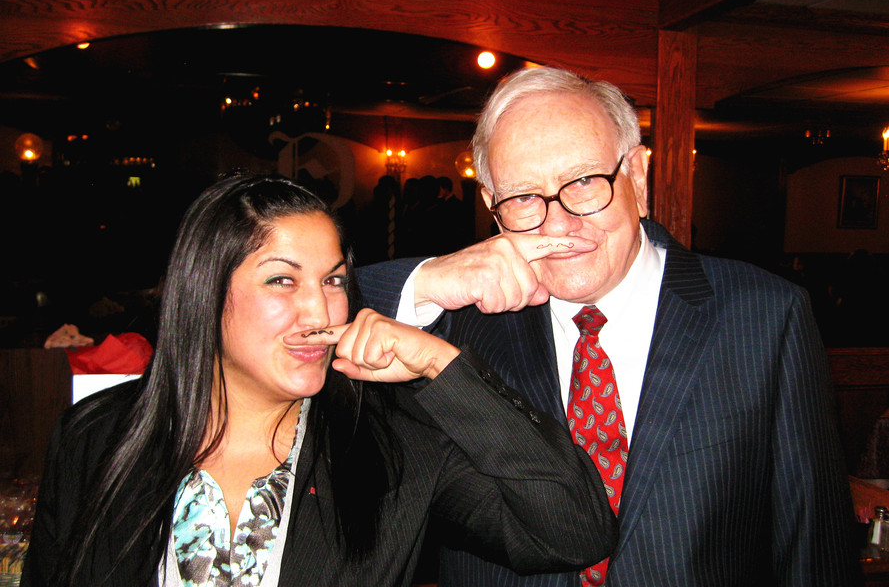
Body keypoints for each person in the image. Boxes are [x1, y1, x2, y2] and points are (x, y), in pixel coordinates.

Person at [359, 67, 861, 586]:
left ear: (637, 177)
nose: (559, 224)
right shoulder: (449, 323)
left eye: (583, 182)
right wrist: (429, 280)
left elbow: (814, 540)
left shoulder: (765, 316)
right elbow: (314, 326)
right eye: (524, 197)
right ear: (492, 205)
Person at [21, 174, 616, 586]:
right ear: (206, 292)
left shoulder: (391, 448)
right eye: (282, 280)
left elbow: (574, 532)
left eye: (332, 281)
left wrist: (442, 366)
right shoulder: (96, 435)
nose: (320, 311)